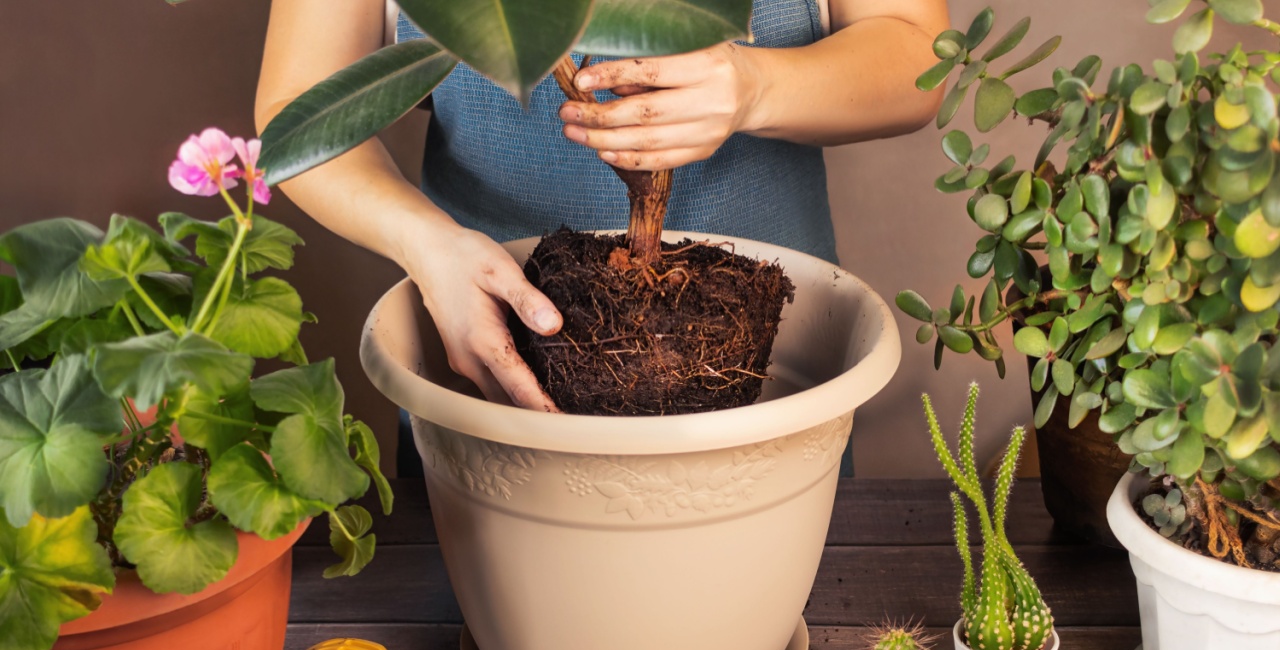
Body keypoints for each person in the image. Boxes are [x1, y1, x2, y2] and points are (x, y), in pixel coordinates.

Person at [256, 0, 949, 474]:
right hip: (487, 386)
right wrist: (425, 244)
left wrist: (757, 86)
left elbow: (918, 50)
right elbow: (300, 110)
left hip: (774, 398)